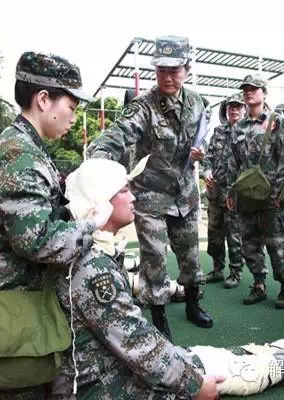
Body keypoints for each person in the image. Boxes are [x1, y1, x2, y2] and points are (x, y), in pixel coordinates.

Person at [52, 156, 284, 399]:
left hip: (98, 370)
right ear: (101, 203)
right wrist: (194, 385)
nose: (134, 196)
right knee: (214, 371)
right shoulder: (94, 268)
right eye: (124, 190)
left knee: (196, 355)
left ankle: (279, 352)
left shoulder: (89, 252)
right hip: (101, 387)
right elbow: (139, 345)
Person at [0, 51, 110, 400]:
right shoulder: (20, 156)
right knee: (21, 387)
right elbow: (38, 242)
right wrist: (93, 224)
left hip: (16, 298)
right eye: (71, 107)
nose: (74, 118)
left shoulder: (21, 146)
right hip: (12, 302)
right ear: (43, 100)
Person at [86, 35, 213, 341]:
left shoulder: (198, 103)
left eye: (175, 70)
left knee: (190, 256)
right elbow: (118, 134)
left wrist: (201, 153)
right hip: (150, 196)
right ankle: (158, 317)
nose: (167, 77)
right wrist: (99, 160)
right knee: (154, 258)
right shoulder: (143, 107)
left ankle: (193, 305)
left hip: (185, 194)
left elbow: (202, 138)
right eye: (161, 70)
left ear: (187, 70)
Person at [225, 74, 284, 310]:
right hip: (246, 194)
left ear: (264, 93)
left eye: (254, 89)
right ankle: (258, 284)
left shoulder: (277, 122)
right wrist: (231, 192)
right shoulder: (238, 127)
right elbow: (232, 161)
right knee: (250, 244)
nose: (249, 92)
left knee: (276, 243)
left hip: (270, 195)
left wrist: (279, 192)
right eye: (246, 89)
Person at [202, 92, 246, 289]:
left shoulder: (248, 131)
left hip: (235, 194)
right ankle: (217, 268)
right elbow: (209, 156)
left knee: (234, 234)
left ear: (244, 109)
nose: (234, 110)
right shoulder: (219, 131)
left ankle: (236, 271)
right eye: (231, 107)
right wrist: (207, 170)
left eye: (238, 106)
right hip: (215, 192)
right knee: (214, 233)